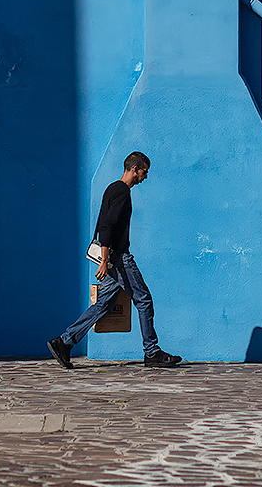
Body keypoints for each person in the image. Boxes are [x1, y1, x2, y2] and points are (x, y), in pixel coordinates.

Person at [47, 151, 182, 369]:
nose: (145, 177)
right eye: (144, 172)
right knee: (144, 300)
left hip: (114, 259)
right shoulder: (121, 192)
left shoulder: (111, 188)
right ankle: (152, 352)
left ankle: (63, 342)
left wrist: (106, 259)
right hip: (120, 259)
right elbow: (107, 226)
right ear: (135, 169)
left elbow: (103, 224)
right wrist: (105, 260)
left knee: (104, 304)